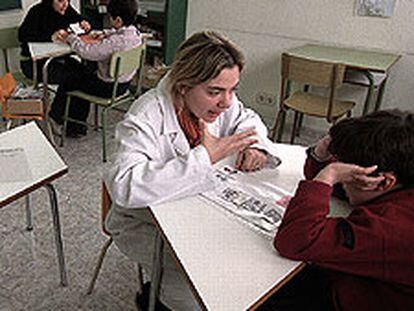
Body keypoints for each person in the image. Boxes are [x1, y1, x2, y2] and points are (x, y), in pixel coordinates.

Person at [104, 31, 282, 310]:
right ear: (184, 86)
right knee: (196, 269)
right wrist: (204, 158)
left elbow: (247, 119)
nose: (226, 102)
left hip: (197, 209)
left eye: (233, 89)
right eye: (215, 92)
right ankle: (157, 300)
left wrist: (255, 147)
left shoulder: (221, 101)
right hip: (143, 222)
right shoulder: (146, 114)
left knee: (242, 251)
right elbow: (125, 186)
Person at [270, 109, 414, 310]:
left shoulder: (391, 226)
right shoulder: (402, 178)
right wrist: (321, 154)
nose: (342, 181)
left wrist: (328, 175)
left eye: (347, 175)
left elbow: (296, 241)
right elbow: (345, 189)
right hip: (357, 278)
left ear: (384, 182)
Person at [48, 0, 141, 137]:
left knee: (69, 80)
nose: (109, 20)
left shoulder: (114, 43)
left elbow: (87, 52)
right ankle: (77, 126)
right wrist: (105, 33)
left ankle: (58, 119)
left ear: (118, 20)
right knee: (82, 74)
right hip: (123, 85)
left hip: (106, 88)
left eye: (110, 17)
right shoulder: (136, 34)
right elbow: (119, 34)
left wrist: (71, 38)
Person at [18, 0, 90, 83]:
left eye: (67, 0)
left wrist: (84, 23)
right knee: (73, 78)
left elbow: (78, 19)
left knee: (85, 72)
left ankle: (67, 95)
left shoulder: (66, 8)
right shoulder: (36, 11)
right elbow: (22, 35)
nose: (65, 4)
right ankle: (63, 95)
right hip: (35, 64)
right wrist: (50, 36)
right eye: (60, 1)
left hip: (58, 58)